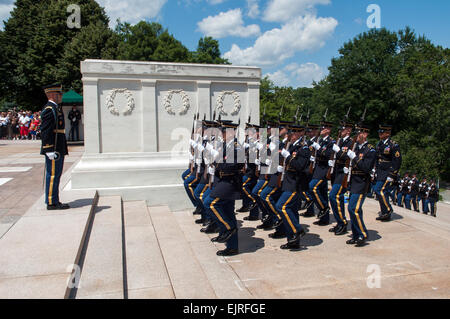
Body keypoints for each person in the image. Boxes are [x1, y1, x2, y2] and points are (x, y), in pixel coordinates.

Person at [275, 125, 309, 249]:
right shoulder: (292, 146)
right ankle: (293, 241)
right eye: (290, 132)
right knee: (293, 211)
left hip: (296, 184)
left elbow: (299, 166)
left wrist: (287, 156)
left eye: (294, 132)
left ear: (300, 133)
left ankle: (297, 230)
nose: (291, 135)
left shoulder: (304, 148)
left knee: (281, 206)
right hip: (288, 182)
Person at [345, 123, 377, 247]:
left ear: (365, 134)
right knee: (354, 209)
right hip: (353, 182)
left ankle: (362, 234)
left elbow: (366, 167)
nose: (357, 136)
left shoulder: (370, 150)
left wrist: (355, 158)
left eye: (359, 133)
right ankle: (355, 234)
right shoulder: (356, 147)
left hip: (362, 183)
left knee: (353, 208)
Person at [40, 84, 70, 210]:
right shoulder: (49, 109)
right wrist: (48, 149)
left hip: (58, 146)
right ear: (52, 95)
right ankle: (52, 202)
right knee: (52, 174)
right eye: (59, 94)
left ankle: (54, 199)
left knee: (56, 174)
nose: (61, 96)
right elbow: (46, 131)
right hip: (54, 147)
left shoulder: (55, 108)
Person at [328, 120, 354, 236]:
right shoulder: (339, 141)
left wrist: (337, 151)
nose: (340, 131)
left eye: (343, 129)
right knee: (336, 198)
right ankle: (340, 221)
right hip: (336, 172)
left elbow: (345, 156)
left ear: (348, 131)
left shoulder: (351, 142)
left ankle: (343, 223)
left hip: (343, 173)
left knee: (334, 196)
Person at [309, 121, 335, 226]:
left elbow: (328, 154)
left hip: (324, 169)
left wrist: (318, 149)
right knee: (323, 193)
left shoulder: (331, 142)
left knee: (312, 187)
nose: (321, 130)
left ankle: (323, 207)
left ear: (328, 130)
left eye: (324, 128)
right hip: (317, 168)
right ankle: (325, 219)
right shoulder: (319, 140)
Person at [374, 125, 402, 221]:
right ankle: (385, 213)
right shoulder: (379, 144)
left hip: (388, 172)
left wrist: (392, 174)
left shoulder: (393, 145)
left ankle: (388, 209)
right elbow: (377, 158)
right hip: (380, 172)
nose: (380, 134)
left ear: (388, 133)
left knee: (379, 190)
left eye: (382, 132)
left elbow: (397, 161)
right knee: (382, 191)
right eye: (379, 132)